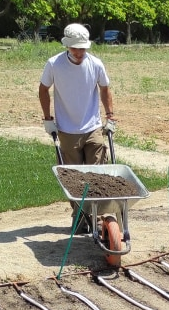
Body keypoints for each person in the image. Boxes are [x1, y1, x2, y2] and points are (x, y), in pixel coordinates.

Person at [39, 23, 117, 231]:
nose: (79, 52)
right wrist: (48, 118)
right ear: (67, 45)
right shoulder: (54, 64)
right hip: (66, 129)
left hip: (93, 127)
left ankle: (97, 218)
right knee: (73, 177)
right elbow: (43, 89)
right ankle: (80, 216)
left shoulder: (96, 64)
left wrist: (110, 117)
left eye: (82, 48)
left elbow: (105, 88)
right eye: (75, 48)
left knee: (98, 175)